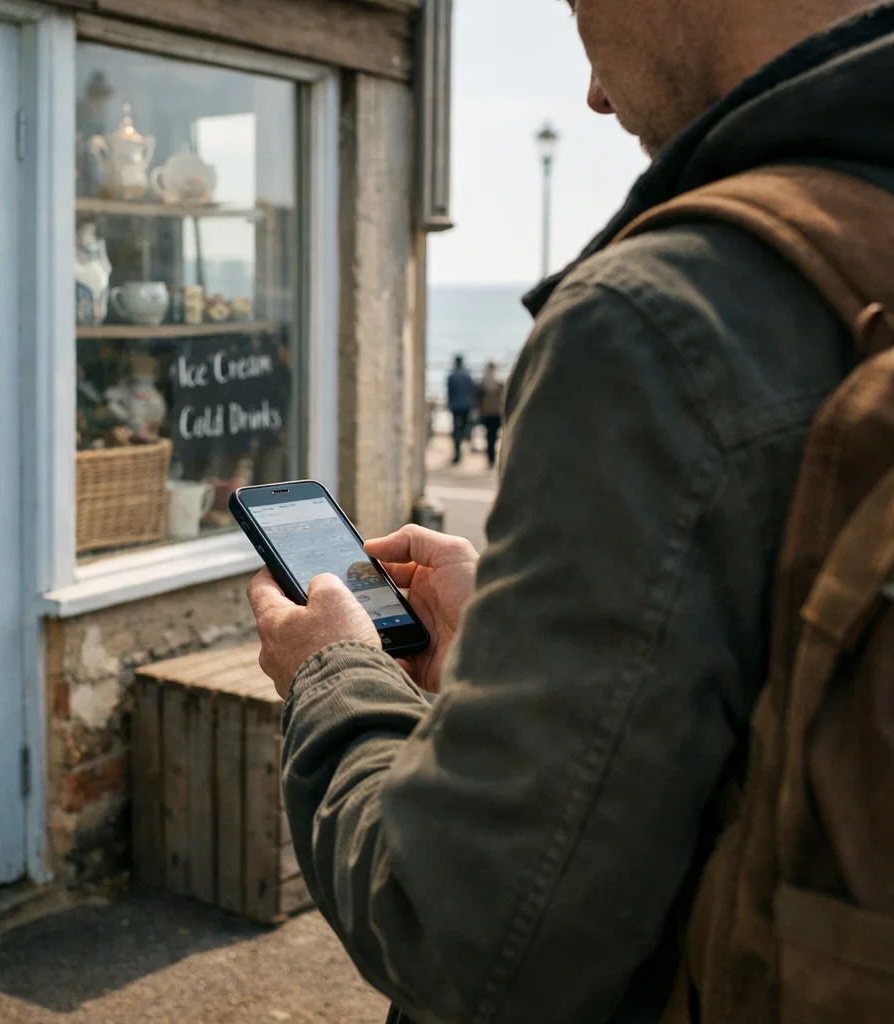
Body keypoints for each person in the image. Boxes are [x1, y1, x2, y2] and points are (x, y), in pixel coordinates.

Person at [246, 2, 894, 1022]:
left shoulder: (662, 318)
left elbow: (471, 940)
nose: (593, 92)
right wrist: (513, 647)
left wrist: (332, 675)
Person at [473, 361, 505, 469]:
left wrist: (478, 411)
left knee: (490, 438)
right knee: (497, 438)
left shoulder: (482, 383)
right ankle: (495, 459)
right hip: (497, 413)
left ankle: (490, 460)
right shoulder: (500, 383)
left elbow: (477, 401)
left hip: (487, 414)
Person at [444, 354, 474, 464]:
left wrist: (449, 404)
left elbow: (449, 392)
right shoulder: (467, 375)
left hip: (455, 406)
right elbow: (472, 391)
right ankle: (466, 439)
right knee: (465, 427)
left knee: (456, 428)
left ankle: (457, 453)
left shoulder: (452, 376)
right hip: (466, 405)